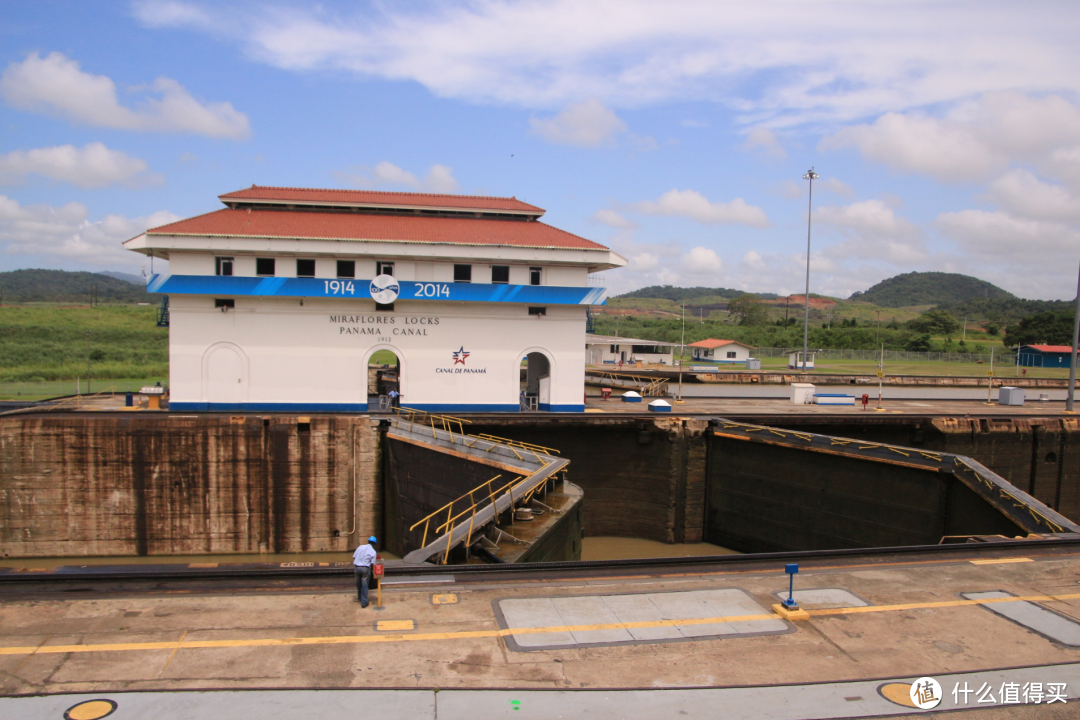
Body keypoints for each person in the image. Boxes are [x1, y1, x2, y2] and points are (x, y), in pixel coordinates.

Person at [352, 536, 378, 607]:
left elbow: (354, 557)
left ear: (368, 541)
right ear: (374, 544)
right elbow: (372, 564)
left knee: (358, 584)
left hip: (357, 567)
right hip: (365, 568)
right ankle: (364, 603)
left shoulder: (360, 547)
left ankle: (359, 597)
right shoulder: (373, 551)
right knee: (364, 585)